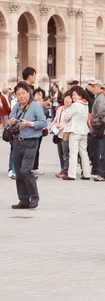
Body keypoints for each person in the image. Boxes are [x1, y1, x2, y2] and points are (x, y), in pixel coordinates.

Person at [9, 81, 47, 209]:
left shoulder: (35, 106)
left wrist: (29, 124)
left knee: (26, 170)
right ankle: (23, 200)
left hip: (31, 141)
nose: (21, 96)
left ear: (28, 93)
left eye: (23, 93)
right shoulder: (16, 107)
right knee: (19, 173)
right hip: (17, 141)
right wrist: (12, 121)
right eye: (18, 94)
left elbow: (43, 123)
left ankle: (34, 196)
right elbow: (10, 119)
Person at [62, 86, 91, 180]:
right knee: (84, 153)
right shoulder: (86, 105)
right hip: (84, 131)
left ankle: (72, 174)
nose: (73, 97)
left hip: (75, 131)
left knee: (73, 153)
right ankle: (87, 174)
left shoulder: (75, 105)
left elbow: (66, 117)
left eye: (74, 95)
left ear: (80, 95)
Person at [51, 92, 72, 178]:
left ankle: (66, 170)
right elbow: (56, 119)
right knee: (61, 154)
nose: (66, 99)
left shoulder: (72, 110)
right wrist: (53, 126)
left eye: (69, 98)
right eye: (65, 97)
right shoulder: (60, 109)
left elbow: (71, 122)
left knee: (66, 154)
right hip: (58, 133)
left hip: (66, 134)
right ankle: (62, 169)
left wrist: (62, 126)